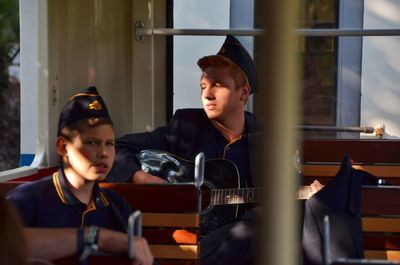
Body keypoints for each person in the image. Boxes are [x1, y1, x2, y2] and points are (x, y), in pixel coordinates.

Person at [106, 35, 260, 265]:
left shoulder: (267, 139)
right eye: (203, 86)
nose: (207, 94)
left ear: (243, 93)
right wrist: (144, 178)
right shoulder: (186, 126)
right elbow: (116, 148)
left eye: (217, 85)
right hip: (183, 239)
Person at [7, 87, 153, 265]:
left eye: (110, 143)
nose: (104, 153)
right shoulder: (28, 200)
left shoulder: (116, 206)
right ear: (62, 147)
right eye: (91, 142)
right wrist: (94, 237)